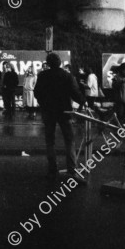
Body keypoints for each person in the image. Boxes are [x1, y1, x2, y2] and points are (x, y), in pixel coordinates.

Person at [34, 52, 87, 183]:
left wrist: (43, 104)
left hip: (49, 112)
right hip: (65, 111)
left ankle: (52, 171)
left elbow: (37, 93)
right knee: (69, 140)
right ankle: (72, 170)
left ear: (48, 63)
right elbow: (75, 93)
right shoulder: (67, 76)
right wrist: (83, 101)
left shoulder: (42, 76)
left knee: (50, 141)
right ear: (60, 63)